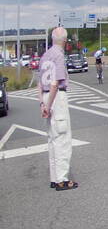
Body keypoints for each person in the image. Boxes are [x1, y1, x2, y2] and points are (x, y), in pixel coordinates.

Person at [39, 26, 76, 190]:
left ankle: (54, 178)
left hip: (46, 96)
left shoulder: (45, 55)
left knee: (52, 139)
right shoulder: (59, 56)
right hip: (56, 98)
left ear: (52, 39)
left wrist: (42, 104)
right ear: (65, 41)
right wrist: (49, 105)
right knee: (62, 138)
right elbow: (55, 82)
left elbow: (39, 83)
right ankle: (62, 180)